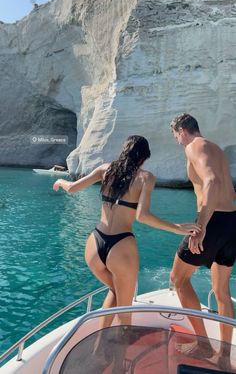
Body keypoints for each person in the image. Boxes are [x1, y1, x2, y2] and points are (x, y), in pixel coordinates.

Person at [53, 135, 200, 370]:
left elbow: (72, 188)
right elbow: (142, 216)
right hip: (120, 247)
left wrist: (60, 181)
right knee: (125, 313)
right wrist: (177, 228)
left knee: (113, 290)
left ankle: (98, 348)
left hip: (94, 244)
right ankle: (120, 365)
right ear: (143, 158)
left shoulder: (105, 169)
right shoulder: (145, 178)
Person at [169, 113, 236, 370]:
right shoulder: (216, 148)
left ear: (182, 130)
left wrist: (200, 227)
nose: (177, 141)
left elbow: (211, 181)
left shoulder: (194, 146)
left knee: (177, 279)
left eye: (176, 135)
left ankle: (204, 344)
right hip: (231, 222)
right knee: (221, 292)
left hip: (214, 222)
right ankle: (223, 357)